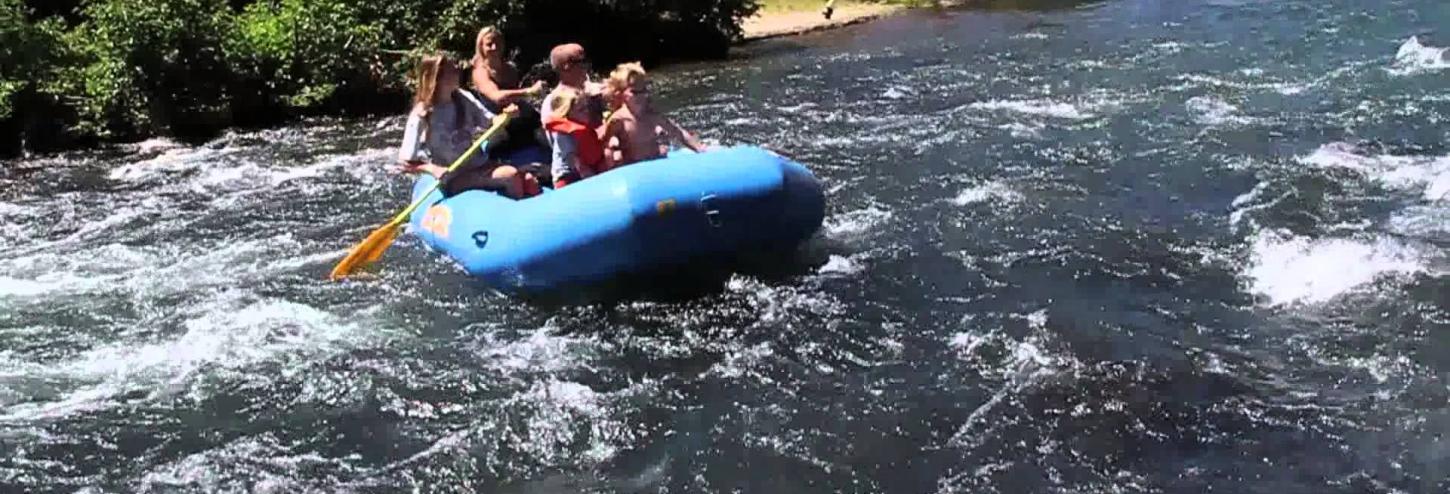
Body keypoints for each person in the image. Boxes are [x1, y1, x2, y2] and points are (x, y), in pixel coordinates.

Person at [397, 53, 539, 199]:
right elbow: (405, 163)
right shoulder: (422, 114)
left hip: (480, 165)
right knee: (510, 174)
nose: (458, 73)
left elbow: (490, 121)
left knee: (528, 180)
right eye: (452, 71)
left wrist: (506, 116)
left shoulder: (462, 98)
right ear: (437, 78)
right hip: (454, 176)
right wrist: (432, 168)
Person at [601, 62, 708, 167]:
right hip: (634, 166)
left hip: (655, 162)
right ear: (621, 93)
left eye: (643, 90)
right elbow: (605, 145)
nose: (641, 95)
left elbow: (677, 132)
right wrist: (612, 149)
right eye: (634, 92)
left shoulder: (651, 115)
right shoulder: (618, 120)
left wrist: (699, 148)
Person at [469, 26, 549, 156]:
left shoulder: (510, 69)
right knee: (501, 142)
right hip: (498, 122)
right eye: (489, 44)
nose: (494, 48)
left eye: (498, 43)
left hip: (520, 115)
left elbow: (516, 95)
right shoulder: (480, 73)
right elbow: (497, 97)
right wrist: (530, 91)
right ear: (481, 47)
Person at [541, 43, 609, 188]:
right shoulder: (554, 103)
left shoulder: (592, 92)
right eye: (582, 62)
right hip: (571, 172)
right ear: (566, 66)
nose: (587, 66)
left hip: (595, 159)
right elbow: (565, 150)